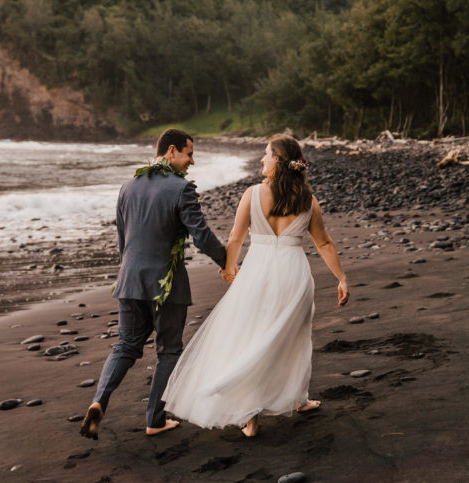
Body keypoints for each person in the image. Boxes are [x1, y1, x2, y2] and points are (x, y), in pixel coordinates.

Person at [161, 133, 349, 438]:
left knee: (252, 335)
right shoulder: (308, 200)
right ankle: (297, 399)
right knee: (294, 337)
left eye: (266, 154)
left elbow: (235, 238)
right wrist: (341, 278)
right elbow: (324, 242)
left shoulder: (251, 194)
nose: (262, 159)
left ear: (278, 161)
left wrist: (229, 267)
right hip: (293, 274)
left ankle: (250, 415)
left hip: (258, 273)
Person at [79, 128, 230, 439]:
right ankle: (155, 419)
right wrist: (228, 264)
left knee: (126, 346)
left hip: (130, 280)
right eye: (189, 154)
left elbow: (123, 238)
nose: (191, 162)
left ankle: (98, 401)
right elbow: (201, 237)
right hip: (167, 285)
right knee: (169, 350)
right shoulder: (181, 189)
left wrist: (130, 272)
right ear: (171, 151)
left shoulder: (127, 186)